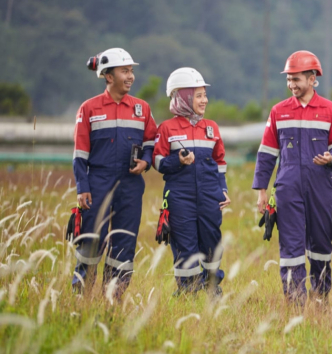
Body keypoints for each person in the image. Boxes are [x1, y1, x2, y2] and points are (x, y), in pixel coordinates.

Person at [252, 50, 332, 306]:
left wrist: (331, 158)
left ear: (312, 78)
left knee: (321, 242)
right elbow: (267, 153)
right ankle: (295, 300)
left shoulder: (331, 110)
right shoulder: (278, 111)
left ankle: (320, 297)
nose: (291, 85)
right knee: (291, 246)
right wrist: (261, 190)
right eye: (289, 80)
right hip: (288, 186)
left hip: (320, 186)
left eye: (296, 79)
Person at [72, 48, 157, 299]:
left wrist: (146, 161)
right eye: (125, 71)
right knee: (90, 241)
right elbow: (79, 154)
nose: (130, 76)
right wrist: (82, 187)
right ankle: (81, 298)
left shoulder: (142, 108)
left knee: (124, 243)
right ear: (109, 77)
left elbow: (152, 140)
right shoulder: (88, 108)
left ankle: (114, 298)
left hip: (130, 185)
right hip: (97, 183)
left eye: (131, 71)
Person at [153, 67, 230, 296]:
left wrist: (223, 189)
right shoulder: (167, 128)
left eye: (205, 95)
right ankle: (188, 293)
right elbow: (157, 161)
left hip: (209, 197)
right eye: (198, 95)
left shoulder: (211, 128)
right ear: (183, 97)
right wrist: (178, 160)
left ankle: (212, 291)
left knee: (211, 244)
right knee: (185, 247)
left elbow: (220, 162)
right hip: (180, 197)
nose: (204, 100)